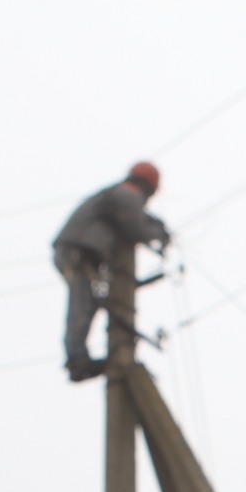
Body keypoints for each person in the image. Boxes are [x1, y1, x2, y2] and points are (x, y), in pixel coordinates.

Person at [52, 162, 170, 382]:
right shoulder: (127, 194)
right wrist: (158, 233)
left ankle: (79, 359)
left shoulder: (119, 195)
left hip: (79, 254)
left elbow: (135, 218)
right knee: (82, 305)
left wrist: (155, 225)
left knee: (88, 304)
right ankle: (78, 361)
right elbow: (135, 227)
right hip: (77, 254)